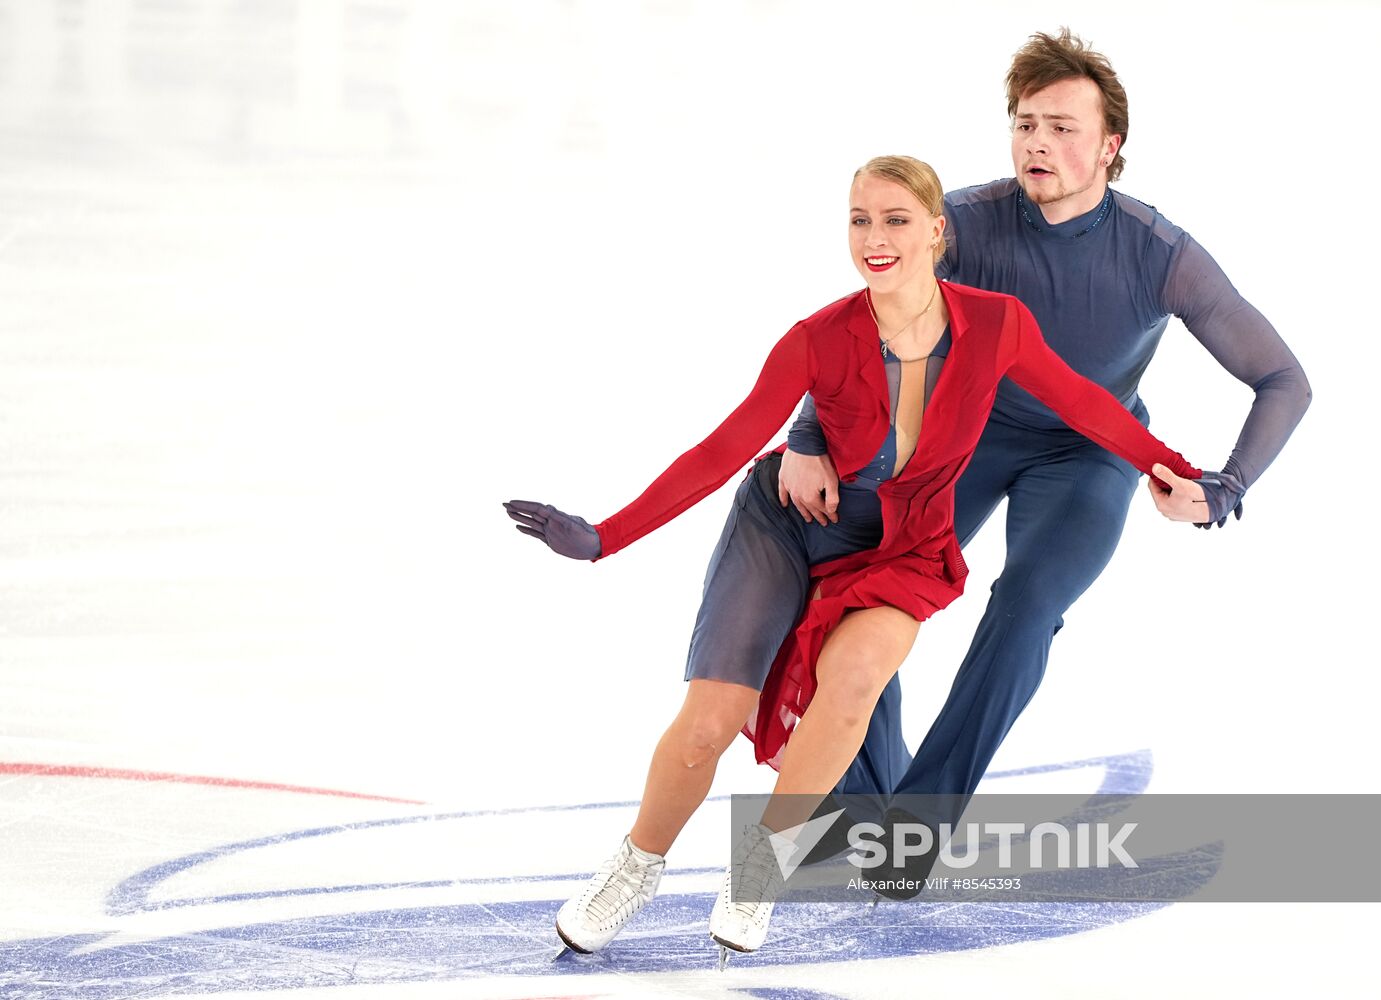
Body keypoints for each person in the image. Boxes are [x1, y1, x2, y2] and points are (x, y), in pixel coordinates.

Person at [506, 154, 1207, 963]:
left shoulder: (996, 325)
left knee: (852, 686)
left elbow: (1087, 403)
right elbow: (724, 447)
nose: (875, 238)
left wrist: (1179, 468)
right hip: (788, 526)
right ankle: (634, 867)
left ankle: (762, 867)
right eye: (859, 220)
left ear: (937, 232)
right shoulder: (816, 339)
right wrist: (604, 538)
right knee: (708, 723)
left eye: (895, 220)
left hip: (902, 549)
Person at [779, 29, 1311, 893]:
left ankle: (915, 826)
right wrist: (808, 436)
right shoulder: (966, 224)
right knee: (857, 580)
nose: (1037, 143)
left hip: (1086, 455)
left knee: (1025, 603)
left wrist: (1225, 488)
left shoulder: (1157, 252)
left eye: (1062, 127)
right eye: (1025, 124)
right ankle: (868, 808)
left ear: (1110, 146)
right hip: (965, 437)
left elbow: (1283, 378)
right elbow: (863, 319)